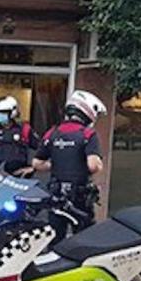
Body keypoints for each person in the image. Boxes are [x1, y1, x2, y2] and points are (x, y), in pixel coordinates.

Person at [33, 90, 107, 242]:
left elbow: (37, 163)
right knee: (84, 241)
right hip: (80, 197)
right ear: (88, 111)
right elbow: (94, 166)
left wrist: (57, 163)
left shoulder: (52, 133)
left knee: (55, 239)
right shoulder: (87, 134)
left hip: (56, 196)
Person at [0, 96, 40, 174]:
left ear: (12, 112)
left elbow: (41, 152)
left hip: (19, 176)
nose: (0, 116)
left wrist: (32, 168)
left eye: (3, 113)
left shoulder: (25, 130)